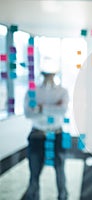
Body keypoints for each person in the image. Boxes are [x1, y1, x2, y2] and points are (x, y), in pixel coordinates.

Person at [24, 71, 69, 200]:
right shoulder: (32, 91)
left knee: (60, 170)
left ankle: (63, 196)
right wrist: (53, 107)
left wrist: (40, 107)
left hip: (57, 135)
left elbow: (63, 110)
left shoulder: (62, 91)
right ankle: (33, 196)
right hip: (37, 135)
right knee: (34, 171)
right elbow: (28, 113)